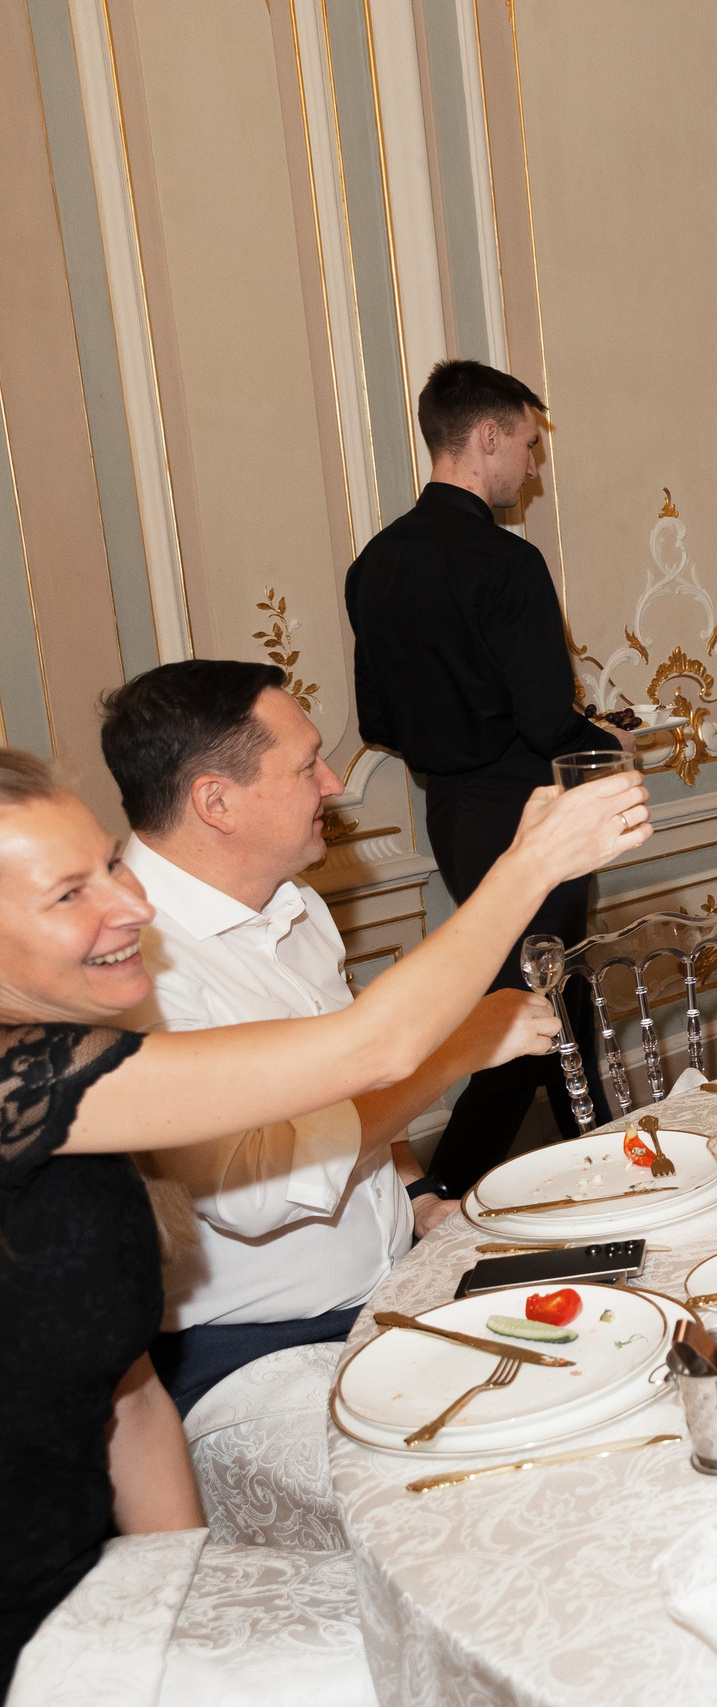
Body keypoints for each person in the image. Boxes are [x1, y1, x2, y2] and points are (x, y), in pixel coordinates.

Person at [0, 745, 644, 1689]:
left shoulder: (81, 1056)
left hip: (97, 1579)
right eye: (70, 893)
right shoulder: (28, 1084)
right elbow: (371, 1050)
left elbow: (128, 1394)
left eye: (109, 865)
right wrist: (531, 863)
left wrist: (187, 1593)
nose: (130, 903)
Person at [97, 661, 560, 1415]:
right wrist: (455, 1052)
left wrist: (417, 1194)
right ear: (216, 802)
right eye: (306, 764)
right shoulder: (132, 963)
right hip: (254, 1353)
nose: (336, 782)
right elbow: (260, 1191)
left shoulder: (293, 903)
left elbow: (354, 1091)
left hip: (390, 1290)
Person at [344, 358, 628, 1199]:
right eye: (529, 446)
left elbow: (377, 720)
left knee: (549, 995)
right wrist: (609, 741)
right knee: (536, 1004)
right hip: (531, 810)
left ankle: (607, 1157)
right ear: (487, 436)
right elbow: (546, 724)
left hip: (453, 814)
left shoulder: (374, 564)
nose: (533, 468)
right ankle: (441, 1190)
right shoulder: (508, 562)